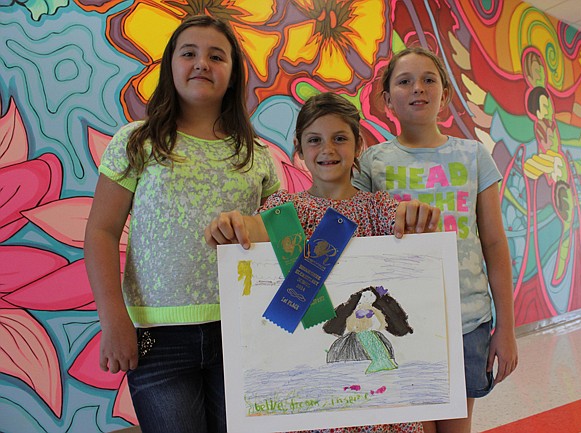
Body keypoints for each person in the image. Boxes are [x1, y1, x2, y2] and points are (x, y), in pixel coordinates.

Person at [84, 15, 280, 433]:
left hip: (240, 331)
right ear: (170, 66)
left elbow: (276, 233)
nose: (202, 63)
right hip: (158, 338)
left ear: (233, 74)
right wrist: (113, 319)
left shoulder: (257, 154)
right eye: (189, 53)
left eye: (216, 56)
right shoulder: (137, 142)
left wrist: (251, 227)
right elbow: (101, 232)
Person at [205, 91, 440, 433]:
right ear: (299, 149)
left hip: (380, 399)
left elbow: (407, 230)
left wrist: (417, 218)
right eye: (315, 140)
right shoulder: (287, 210)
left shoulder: (378, 208)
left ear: (358, 145)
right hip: (313, 391)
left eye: (339, 138)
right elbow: (256, 229)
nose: (327, 149)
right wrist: (234, 226)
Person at [352, 47, 519, 433]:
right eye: (405, 81)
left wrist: (507, 329)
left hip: (466, 320)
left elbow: (494, 244)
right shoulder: (372, 163)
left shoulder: (473, 155)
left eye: (429, 80)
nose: (418, 88)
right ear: (387, 99)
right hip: (398, 323)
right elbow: (356, 231)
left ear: (444, 95)